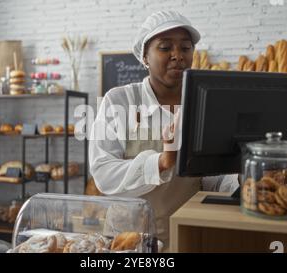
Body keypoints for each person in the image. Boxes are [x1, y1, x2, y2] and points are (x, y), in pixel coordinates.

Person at [89, 11, 238, 251]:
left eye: (186, 48)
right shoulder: (120, 101)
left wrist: (245, 176)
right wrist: (161, 161)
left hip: (188, 234)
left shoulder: (202, 105)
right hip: (129, 241)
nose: (178, 56)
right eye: (165, 47)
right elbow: (103, 174)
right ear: (145, 56)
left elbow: (209, 178)